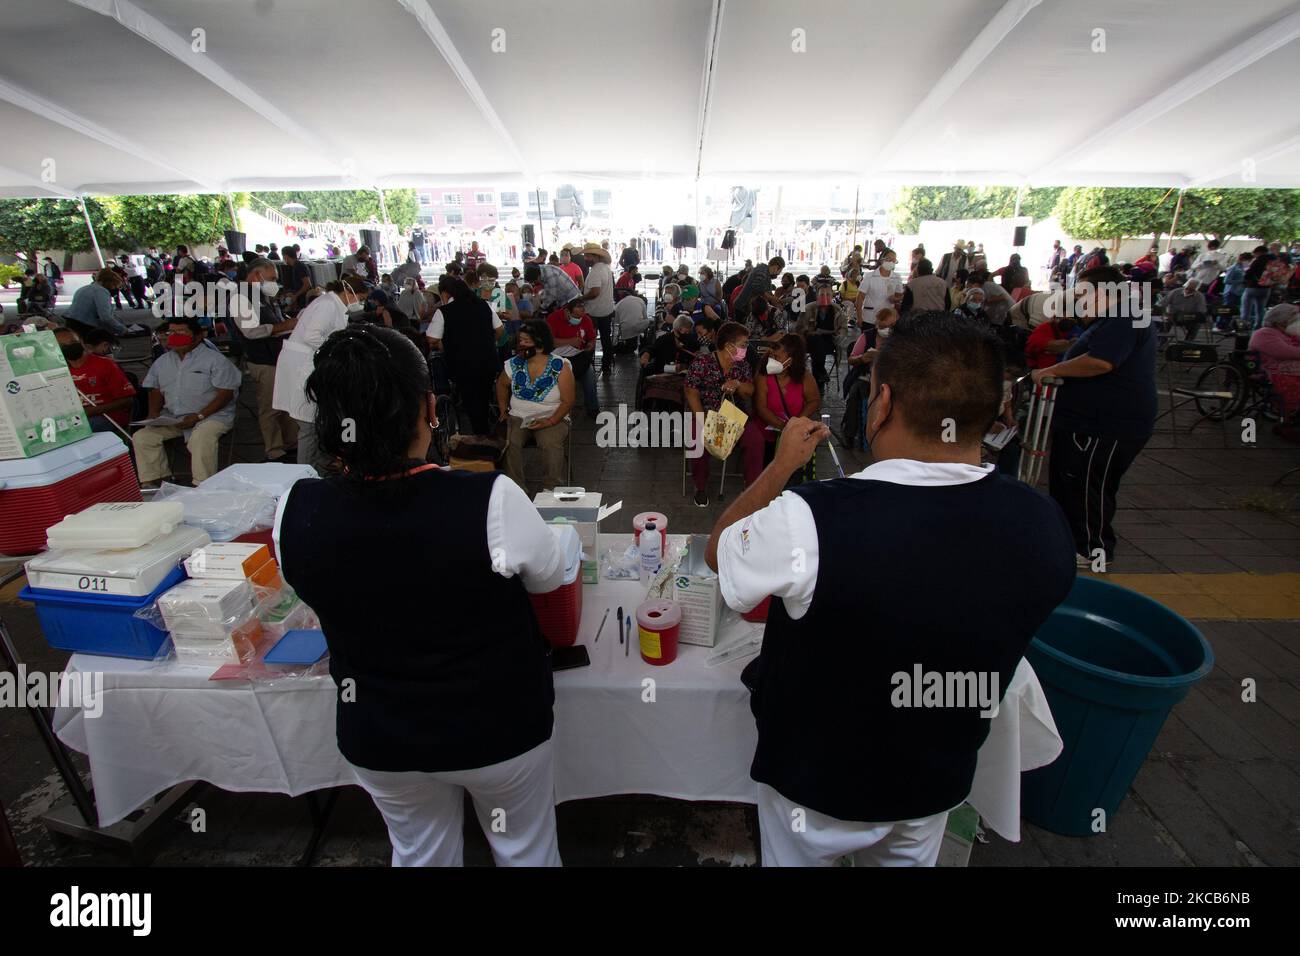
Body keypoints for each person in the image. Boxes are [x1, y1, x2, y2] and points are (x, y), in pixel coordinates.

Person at [703, 310, 1075, 867]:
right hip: (933, 782)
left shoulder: (810, 518)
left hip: (814, 784)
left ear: (881, 404)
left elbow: (720, 551)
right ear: (1000, 408)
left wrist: (780, 467)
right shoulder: (1045, 526)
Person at [275, 323, 566, 867]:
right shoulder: (491, 500)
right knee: (525, 849)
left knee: (419, 853)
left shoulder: (296, 509)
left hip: (380, 736)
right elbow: (550, 578)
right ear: (430, 407)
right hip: (499, 728)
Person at [1037, 267, 1156, 568]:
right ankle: (1071, 542)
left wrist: (1051, 370)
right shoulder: (1113, 318)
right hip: (1088, 421)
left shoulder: (1125, 316)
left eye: (1082, 295)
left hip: (1104, 424)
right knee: (1076, 483)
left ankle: (1092, 549)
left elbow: (1101, 361)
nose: (1078, 302)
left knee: (1088, 485)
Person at [273, 279, 368, 475]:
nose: (361, 302)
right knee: (308, 425)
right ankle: (304, 475)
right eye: (361, 298)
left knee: (317, 421)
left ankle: (319, 465)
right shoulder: (327, 305)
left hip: (311, 364)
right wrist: (339, 350)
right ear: (349, 292)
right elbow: (312, 336)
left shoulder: (334, 305)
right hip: (304, 366)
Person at [132, 317, 241, 487]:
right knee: (143, 437)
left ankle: (202, 485)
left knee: (201, 437)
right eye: (171, 333)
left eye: (181, 332)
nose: (174, 336)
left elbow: (225, 394)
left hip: (212, 416)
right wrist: (153, 414)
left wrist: (199, 415)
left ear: (197, 336)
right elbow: (155, 389)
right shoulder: (162, 361)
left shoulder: (215, 360)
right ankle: (155, 482)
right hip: (174, 417)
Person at [683, 321, 766, 507]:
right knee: (698, 439)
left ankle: (752, 486)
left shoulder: (741, 365)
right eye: (743, 344)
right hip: (705, 411)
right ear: (729, 346)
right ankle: (701, 487)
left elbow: (749, 391)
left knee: (755, 441)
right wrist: (702, 420)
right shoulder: (702, 362)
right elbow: (691, 392)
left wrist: (737, 384)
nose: (746, 348)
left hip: (733, 414)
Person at [227, 258, 299, 463]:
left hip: (278, 356)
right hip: (263, 360)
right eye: (272, 278)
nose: (275, 282)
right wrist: (283, 327)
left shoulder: (263, 296)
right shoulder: (241, 298)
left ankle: (290, 443)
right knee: (270, 406)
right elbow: (250, 331)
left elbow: (275, 319)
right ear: (257, 275)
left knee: (286, 404)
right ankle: (274, 450)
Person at [498, 322, 575, 491]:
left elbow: (568, 401)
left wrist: (550, 421)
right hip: (518, 416)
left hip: (553, 416)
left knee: (550, 443)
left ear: (540, 345)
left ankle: (550, 489)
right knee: (510, 443)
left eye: (526, 341)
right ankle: (516, 490)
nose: (521, 345)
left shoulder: (560, 366)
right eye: (520, 340)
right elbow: (501, 384)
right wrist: (503, 410)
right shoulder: (513, 364)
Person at [430, 275, 500, 435]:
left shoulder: (444, 311)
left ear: (446, 294)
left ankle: (480, 436)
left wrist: (445, 344)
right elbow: (500, 330)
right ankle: (483, 432)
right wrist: (486, 342)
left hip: (462, 364)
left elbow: (432, 338)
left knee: (470, 400)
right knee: (483, 397)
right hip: (487, 361)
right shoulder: (484, 305)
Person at [754, 334, 821, 484]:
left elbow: (814, 401)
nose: (772, 360)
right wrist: (782, 426)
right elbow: (761, 407)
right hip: (768, 432)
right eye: (772, 355)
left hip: (794, 432)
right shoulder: (763, 376)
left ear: (791, 360)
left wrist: (797, 422)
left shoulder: (804, 376)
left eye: (777, 357)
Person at [55, 327, 135, 433]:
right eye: (63, 346)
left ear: (82, 342)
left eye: (73, 342)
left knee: (71, 431)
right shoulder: (57, 371)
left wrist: (91, 411)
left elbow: (127, 401)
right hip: (75, 418)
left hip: (108, 417)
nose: (69, 346)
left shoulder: (105, 364)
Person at [1248, 304, 1300, 422]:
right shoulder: (1265, 333)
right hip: (1273, 372)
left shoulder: (1288, 334)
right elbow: (1284, 352)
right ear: (1281, 321)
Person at [580, 243, 617, 379]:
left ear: (595, 257)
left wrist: (582, 297)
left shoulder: (596, 271)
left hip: (594, 312)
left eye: (587, 256)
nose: (585, 258)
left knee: (590, 339)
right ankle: (606, 365)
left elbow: (595, 292)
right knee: (606, 339)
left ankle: (588, 367)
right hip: (606, 310)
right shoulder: (606, 268)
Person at [64, 268, 128, 336]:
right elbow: (105, 317)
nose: (115, 289)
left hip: (70, 321)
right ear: (110, 283)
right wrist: (122, 329)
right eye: (115, 286)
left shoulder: (84, 288)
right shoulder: (101, 292)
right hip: (84, 325)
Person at [857, 250, 904, 326]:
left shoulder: (896, 277)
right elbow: (860, 297)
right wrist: (859, 317)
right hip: (869, 318)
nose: (891, 262)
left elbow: (899, 295)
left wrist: (895, 299)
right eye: (889, 259)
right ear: (882, 260)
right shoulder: (870, 276)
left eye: (893, 260)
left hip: (888, 318)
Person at [732, 257, 785, 322]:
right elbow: (757, 287)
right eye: (780, 270)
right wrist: (772, 298)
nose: (779, 273)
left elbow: (766, 291)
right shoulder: (762, 271)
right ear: (776, 267)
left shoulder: (765, 272)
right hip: (743, 307)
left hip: (746, 307)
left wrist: (775, 300)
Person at [281, 245, 313, 313]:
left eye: (283, 256)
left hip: (304, 300)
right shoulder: (295, 266)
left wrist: (295, 295)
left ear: (286, 256)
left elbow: (307, 284)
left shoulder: (299, 266)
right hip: (300, 299)